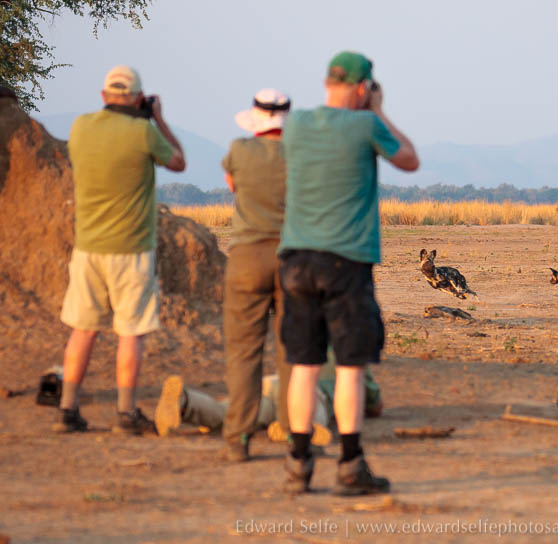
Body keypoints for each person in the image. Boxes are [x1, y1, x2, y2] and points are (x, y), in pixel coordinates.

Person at [278, 51, 419, 495]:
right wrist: (378, 111)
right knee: (350, 368)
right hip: (346, 261)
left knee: (303, 365)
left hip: (296, 259)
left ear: (326, 82)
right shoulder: (366, 124)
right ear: (362, 87)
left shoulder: (295, 124)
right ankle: (350, 464)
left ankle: (298, 465)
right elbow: (409, 159)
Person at [54, 65, 185, 434]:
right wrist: (157, 118)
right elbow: (178, 161)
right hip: (132, 249)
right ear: (138, 97)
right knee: (130, 332)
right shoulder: (143, 132)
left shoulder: (81, 127)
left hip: (88, 248)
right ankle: (126, 414)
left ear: (103, 96)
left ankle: (67, 409)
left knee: (82, 330)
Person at [220, 89, 292, 461]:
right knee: (292, 350)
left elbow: (234, 185)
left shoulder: (239, 150)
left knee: (244, 352)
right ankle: (296, 432)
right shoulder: (303, 153)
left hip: (247, 256)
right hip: (293, 258)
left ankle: (238, 437)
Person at [153, 355, 384, 444]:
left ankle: (186, 401)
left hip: (272, 382)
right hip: (309, 392)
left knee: (233, 414)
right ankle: (297, 429)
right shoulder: (352, 351)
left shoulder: (306, 332)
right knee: (313, 412)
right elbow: (374, 406)